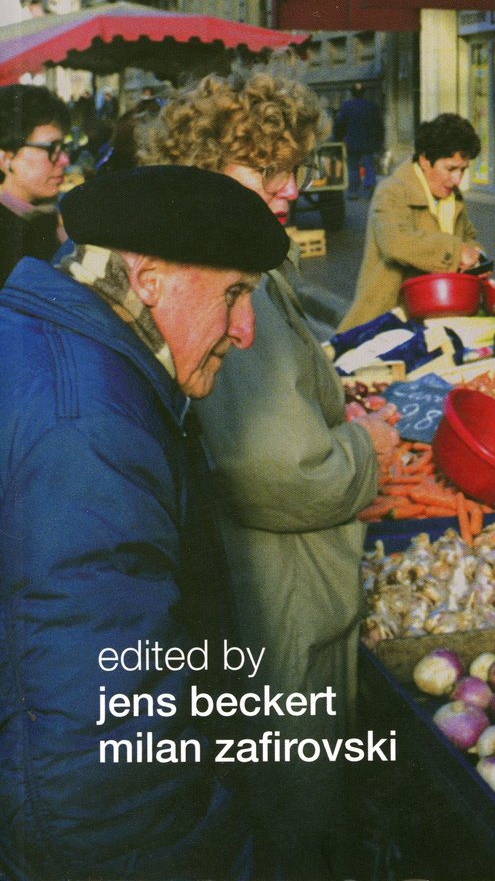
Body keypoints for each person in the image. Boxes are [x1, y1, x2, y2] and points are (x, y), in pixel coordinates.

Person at [0, 165, 289, 881]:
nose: (245, 330)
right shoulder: (92, 430)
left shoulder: (48, 340)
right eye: (233, 294)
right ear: (150, 280)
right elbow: (100, 746)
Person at [141, 71, 393, 879]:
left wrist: (327, 397)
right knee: (294, 789)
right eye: (265, 171)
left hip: (282, 574)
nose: (291, 187)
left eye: (296, 167)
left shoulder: (245, 250)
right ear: (207, 171)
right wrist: (368, 451)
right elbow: (273, 467)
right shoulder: (216, 266)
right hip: (276, 583)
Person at [339, 111, 483, 331]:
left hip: (438, 311)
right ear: (425, 160)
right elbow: (396, 243)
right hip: (389, 318)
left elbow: (468, 237)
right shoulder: (392, 191)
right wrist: (457, 252)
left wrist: (477, 258)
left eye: (463, 170)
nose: (457, 179)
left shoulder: (453, 197)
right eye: (450, 168)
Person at [0, 84, 71, 286]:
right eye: (52, 149)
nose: (64, 160)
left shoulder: (48, 215)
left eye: (63, 148)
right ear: (6, 159)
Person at [334, 80, 384, 198]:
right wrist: (379, 142)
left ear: (352, 93)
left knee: (353, 167)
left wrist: (338, 139)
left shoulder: (346, 106)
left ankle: (353, 191)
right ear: (363, 93)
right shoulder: (371, 106)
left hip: (352, 142)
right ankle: (370, 185)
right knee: (369, 164)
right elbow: (379, 125)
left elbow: (340, 124)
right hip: (368, 142)